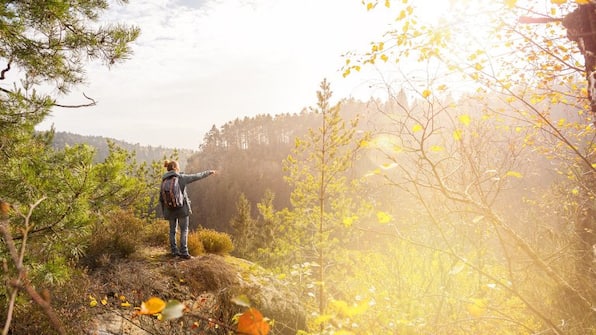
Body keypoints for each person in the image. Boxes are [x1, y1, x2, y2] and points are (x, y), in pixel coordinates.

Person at [159, 160, 217, 259]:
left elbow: (161, 198)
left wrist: (165, 212)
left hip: (169, 210)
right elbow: (197, 176)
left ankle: (174, 251)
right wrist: (209, 172)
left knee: (172, 231)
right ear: (175, 167)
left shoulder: (164, 181)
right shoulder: (181, 178)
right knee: (184, 230)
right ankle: (184, 253)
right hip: (182, 209)